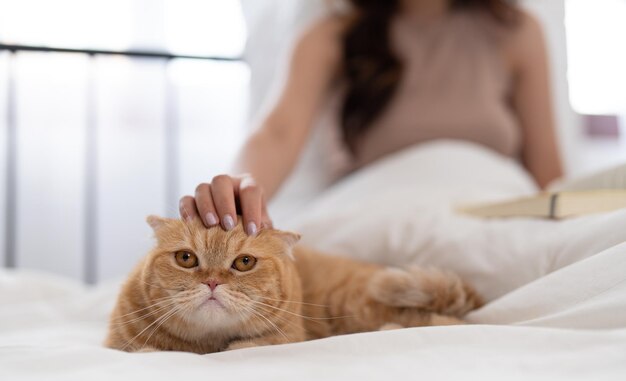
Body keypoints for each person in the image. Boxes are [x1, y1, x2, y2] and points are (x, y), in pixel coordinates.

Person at [179, 0, 563, 236]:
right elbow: (277, 134)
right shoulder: (328, 37)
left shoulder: (517, 32)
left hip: (498, 223)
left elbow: (547, 171)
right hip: (378, 224)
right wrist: (240, 191)